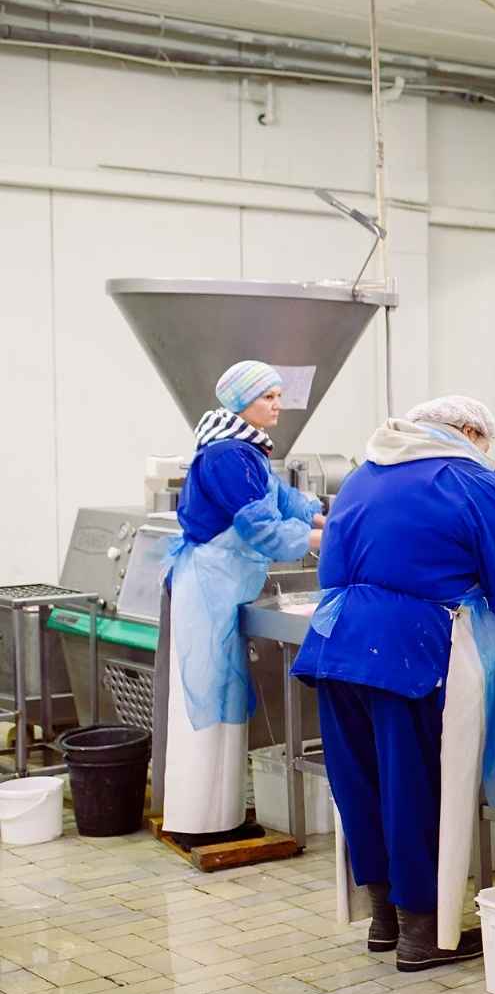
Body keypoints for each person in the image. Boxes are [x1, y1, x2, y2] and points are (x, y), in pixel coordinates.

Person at [291, 397, 495, 972]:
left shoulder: (364, 473)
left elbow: (333, 568)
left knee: (364, 786)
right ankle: (424, 933)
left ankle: (385, 919)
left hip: (337, 644)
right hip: (413, 652)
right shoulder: (469, 478)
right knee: (418, 788)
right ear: (471, 431)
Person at [161, 360, 324, 845]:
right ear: (241, 402)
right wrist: (325, 538)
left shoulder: (245, 448)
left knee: (226, 702)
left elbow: (284, 503)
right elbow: (262, 529)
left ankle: (222, 817)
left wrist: (331, 513)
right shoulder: (230, 455)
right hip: (209, 585)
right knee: (206, 702)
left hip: (224, 585)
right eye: (268, 397)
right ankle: (197, 823)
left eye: (278, 395)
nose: (278, 405)